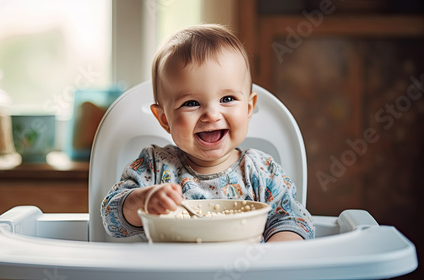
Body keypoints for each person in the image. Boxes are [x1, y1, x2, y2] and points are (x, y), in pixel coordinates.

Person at [101, 24, 315, 242]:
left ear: (248, 108)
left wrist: (274, 256)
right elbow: (111, 218)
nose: (212, 115)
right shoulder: (155, 168)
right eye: (191, 103)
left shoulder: (261, 172)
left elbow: (292, 219)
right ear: (165, 119)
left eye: (227, 99)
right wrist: (142, 201)